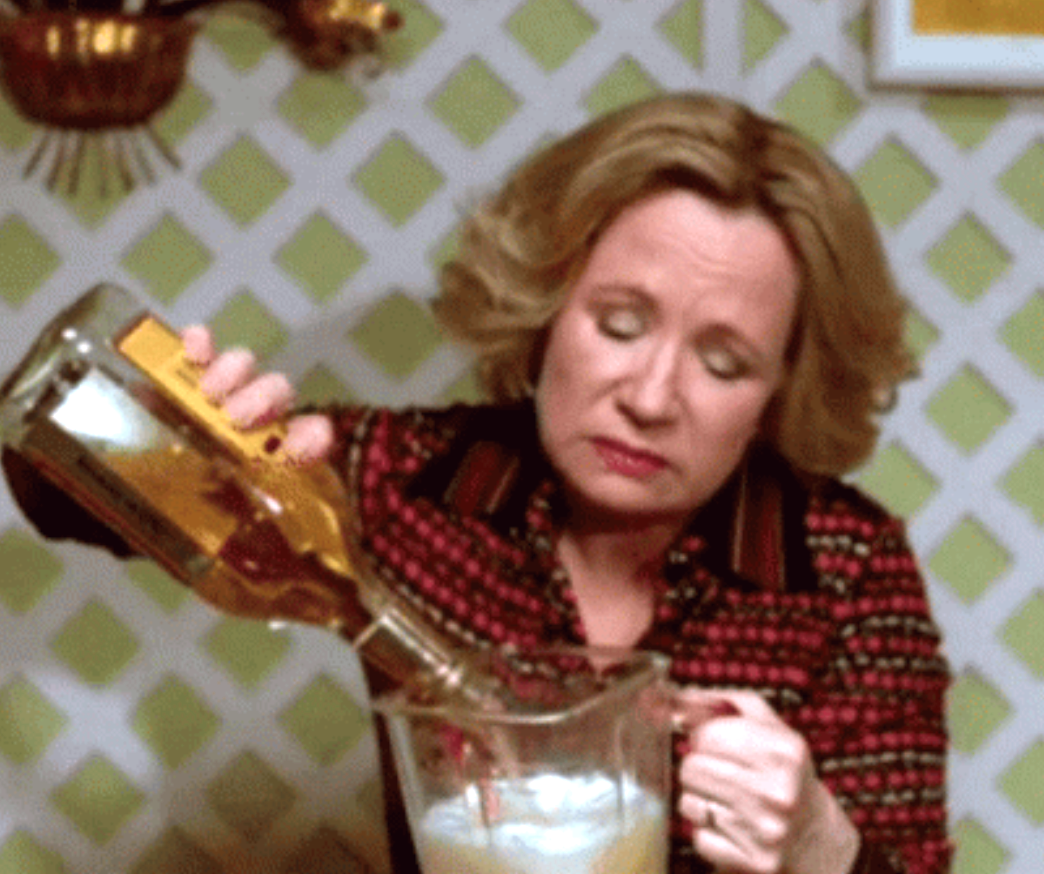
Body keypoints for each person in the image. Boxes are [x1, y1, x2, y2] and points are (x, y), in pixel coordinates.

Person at [14, 92, 953, 874]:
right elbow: (57, 489)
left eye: (723, 362)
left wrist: (821, 845)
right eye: (620, 326)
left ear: (780, 389)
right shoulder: (411, 482)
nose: (652, 397)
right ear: (545, 308)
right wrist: (166, 427)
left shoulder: (847, 571)